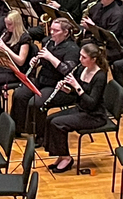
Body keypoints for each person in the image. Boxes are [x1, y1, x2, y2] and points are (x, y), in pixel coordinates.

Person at [12, 16, 79, 140]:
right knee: (19, 94)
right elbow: (44, 62)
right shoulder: (49, 42)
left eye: (56, 30)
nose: (52, 32)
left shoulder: (72, 49)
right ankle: (18, 129)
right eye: (51, 29)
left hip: (58, 86)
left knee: (36, 102)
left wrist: (50, 57)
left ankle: (41, 136)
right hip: (42, 80)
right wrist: (37, 62)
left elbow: (67, 70)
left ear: (66, 32)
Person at [46, 43, 109, 173]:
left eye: (84, 57)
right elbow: (77, 95)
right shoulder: (82, 69)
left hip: (94, 116)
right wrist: (67, 89)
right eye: (80, 56)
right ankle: (61, 155)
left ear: (93, 59)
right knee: (50, 119)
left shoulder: (100, 76)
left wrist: (77, 86)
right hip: (82, 109)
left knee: (57, 123)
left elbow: (92, 103)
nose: (80, 59)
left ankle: (67, 158)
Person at [0, 10, 32, 105]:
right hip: (5, 68)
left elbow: (21, 61)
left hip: (17, 72)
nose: (7, 27)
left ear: (17, 24)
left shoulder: (25, 38)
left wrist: (5, 48)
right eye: (6, 24)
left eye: (10, 24)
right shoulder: (8, 33)